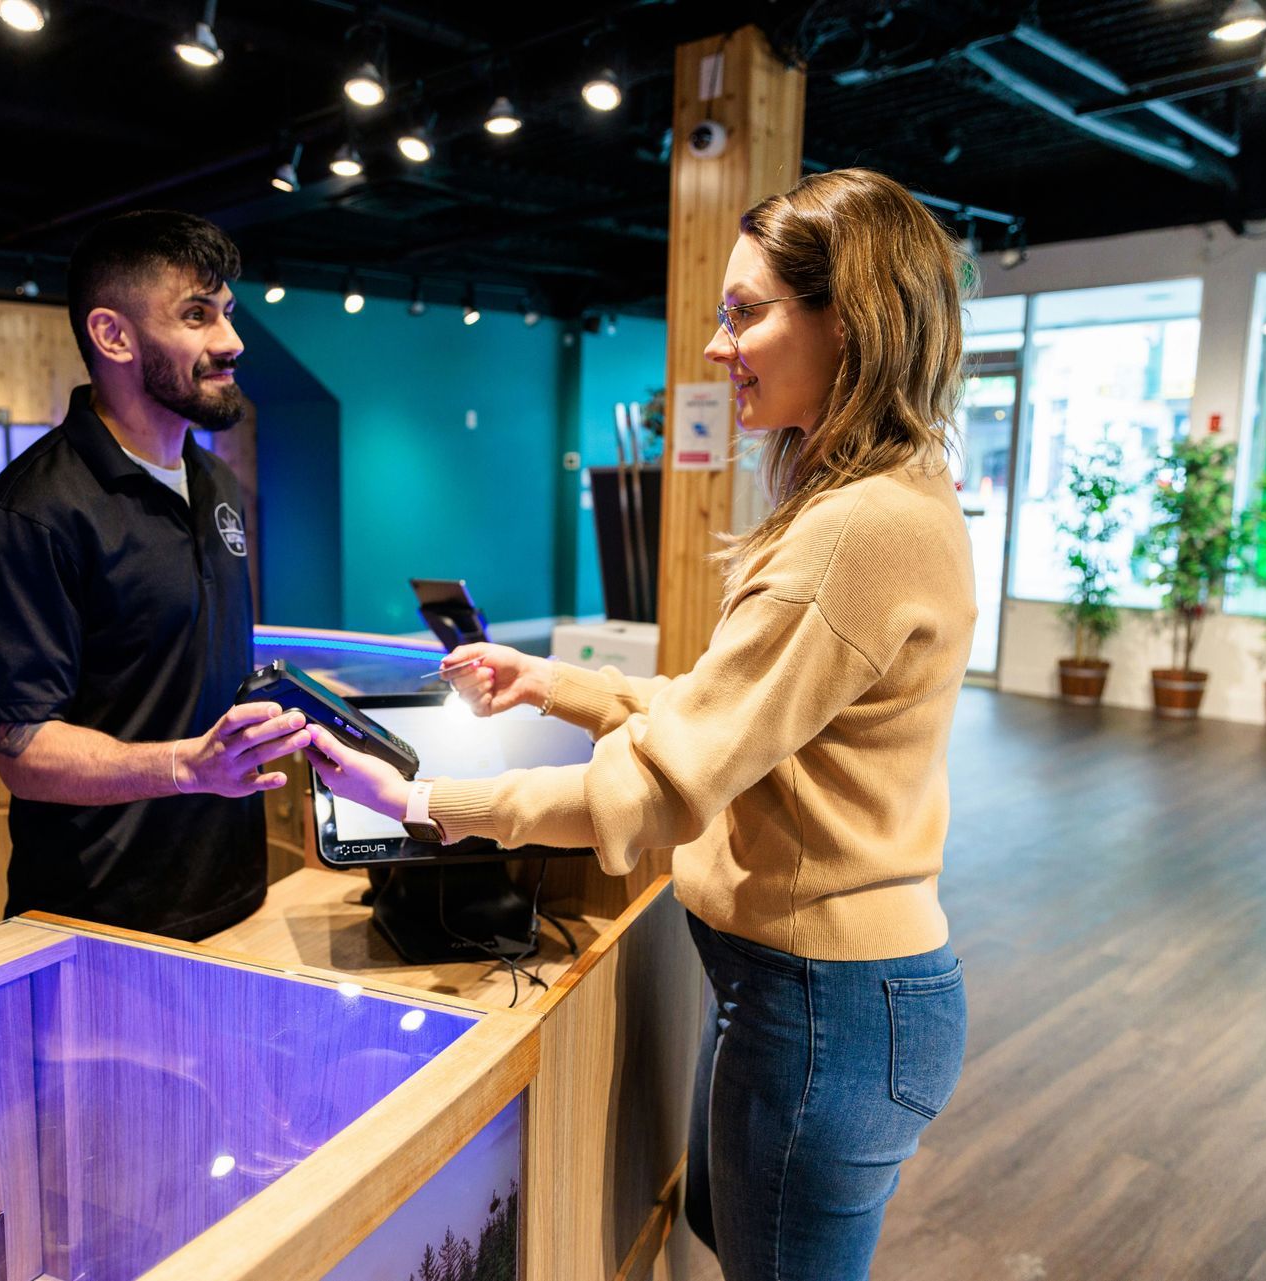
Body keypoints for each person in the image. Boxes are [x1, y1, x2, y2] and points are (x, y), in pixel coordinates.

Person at [304, 168, 975, 1279]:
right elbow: (734, 712)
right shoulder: (897, 495)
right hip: (818, 999)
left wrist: (424, 803)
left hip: (824, 1010)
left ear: (848, 320)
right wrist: (547, 682)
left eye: (745, 313)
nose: (717, 350)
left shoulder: (854, 530)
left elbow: (655, 790)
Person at [0, 209, 311, 940]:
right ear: (113, 334)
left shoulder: (217, 482)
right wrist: (186, 764)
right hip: (96, 920)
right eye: (196, 314)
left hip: (236, 895)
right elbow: (24, 752)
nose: (231, 341)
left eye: (227, 313)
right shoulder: (31, 512)